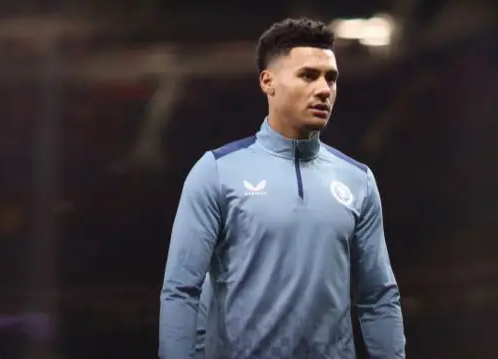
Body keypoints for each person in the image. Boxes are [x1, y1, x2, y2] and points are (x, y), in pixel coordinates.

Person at [159, 17, 406, 359]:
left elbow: (378, 296)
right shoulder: (216, 172)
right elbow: (182, 291)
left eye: (331, 78)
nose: (323, 89)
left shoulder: (358, 180)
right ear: (268, 81)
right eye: (308, 75)